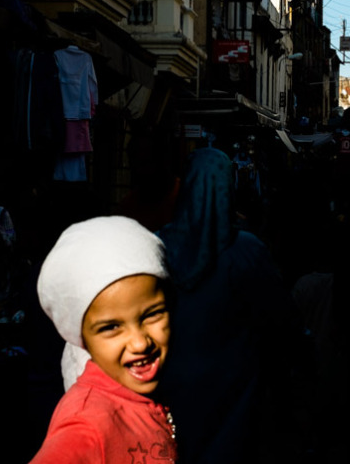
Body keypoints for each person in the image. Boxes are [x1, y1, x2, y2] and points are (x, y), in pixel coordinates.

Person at [157, 147, 299, 464]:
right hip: (231, 400)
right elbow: (280, 318)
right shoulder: (246, 252)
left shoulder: (157, 246)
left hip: (170, 392)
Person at [31, 216, 176, 464]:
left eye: (152, 314)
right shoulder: (86, 425)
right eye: (111, 327)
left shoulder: (154, 382)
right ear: (81, 337)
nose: (140, 343)